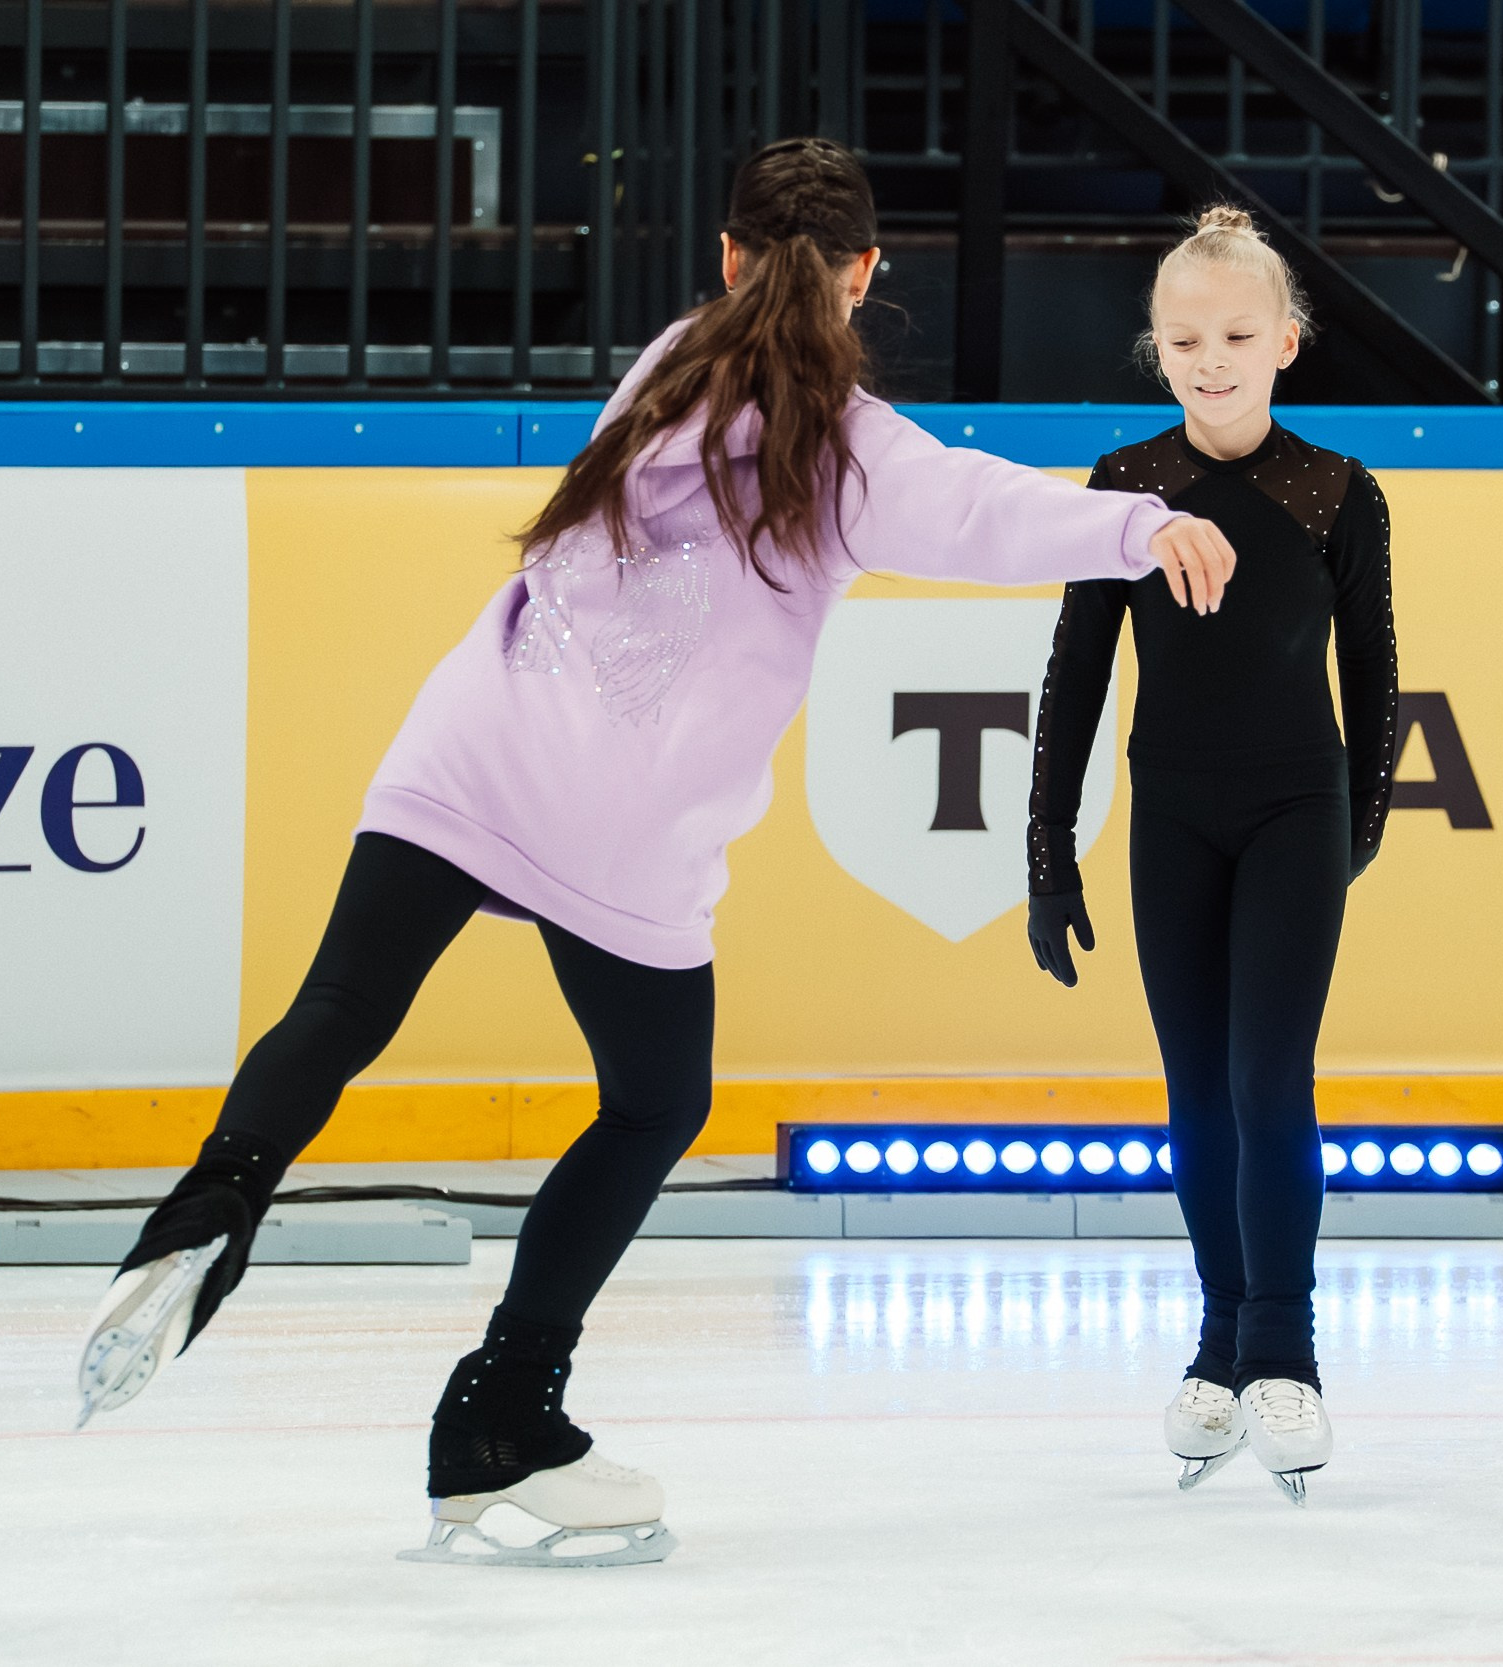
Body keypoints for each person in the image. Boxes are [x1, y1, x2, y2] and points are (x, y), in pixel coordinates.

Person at [73, 138, 1241, 1568]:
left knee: (343, 1005)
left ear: (730, 256)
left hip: (471, 745)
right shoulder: (854, 450)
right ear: (868, 275)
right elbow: (984, 512)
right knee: (652, 1102)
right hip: (623, 828)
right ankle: (502, 1411)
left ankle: (215, 1197)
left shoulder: (669, 366)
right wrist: (1143, 525)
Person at [1022, 204, 1398, 1507]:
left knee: (1266, 1078)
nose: (1211, 361)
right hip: (1171, 816)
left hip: (1297, 810)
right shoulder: (1126, 485)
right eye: (1185, 341)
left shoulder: (1338, 490)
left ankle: (1284, 1352)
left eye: (1237, 336)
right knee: (1194, 1087)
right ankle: (1219, 1342)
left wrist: (1358, 827)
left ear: (1286, 341)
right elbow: (1075, 675)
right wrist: (1047, 850)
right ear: (1156, 348)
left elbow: (1376, 678)